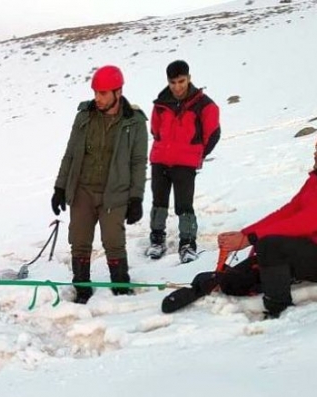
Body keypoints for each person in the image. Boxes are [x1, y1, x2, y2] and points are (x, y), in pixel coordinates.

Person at [162, 139, 317, 318]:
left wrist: (251, 238)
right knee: (245, 270)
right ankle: (217, 284)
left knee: (270, 246)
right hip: (309, 249)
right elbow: (287, 212)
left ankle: (278, 308)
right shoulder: (313, 181)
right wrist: (245, 234)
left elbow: (306, 221)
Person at [50, 65, 148, 304]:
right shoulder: (84, 116)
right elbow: (70, 154)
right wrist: (60, 188)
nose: (98, 98)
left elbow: (138, 163)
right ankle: (82, 290)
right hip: (83, 190)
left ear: (118, 91)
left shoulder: (134, 122)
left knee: (114, 242)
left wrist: (136, 198)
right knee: (80, 242)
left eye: (103, 93)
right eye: (95, 92)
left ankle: (121, 290)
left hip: (114, 194)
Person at [146, 60, 221, 263]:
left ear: (189, 78)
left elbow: (213, 133)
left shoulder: (204, 104)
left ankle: (187, 243)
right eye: (173, 82)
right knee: (158, 202)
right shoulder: (160, 104)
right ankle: (157, 239)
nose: (177, 87)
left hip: (185, 163)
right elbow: (155, 130)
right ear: (168, 82)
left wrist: (198, 154)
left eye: (181, 81)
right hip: (160, 160)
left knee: (184, 205)